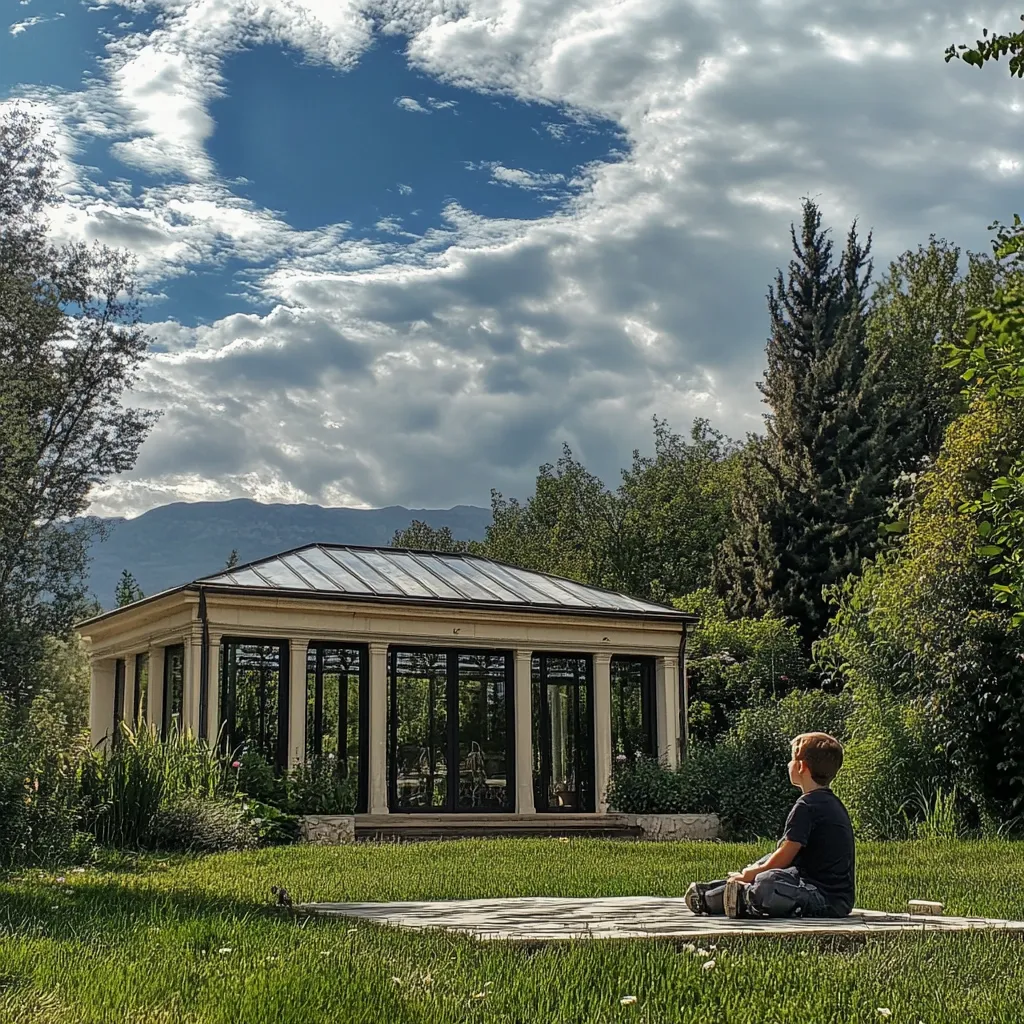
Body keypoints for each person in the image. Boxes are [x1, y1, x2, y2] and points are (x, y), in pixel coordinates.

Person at [684, 732, 855, 919]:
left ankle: (725, 897)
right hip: (834, 896)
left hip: (823, 898)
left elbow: (786, 855)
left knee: (768, 881)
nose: (788, 765)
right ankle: (726, 890)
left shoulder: (806, 806)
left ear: (801, 767)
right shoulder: (832, 803)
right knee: (766, 864)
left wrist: (754, 873)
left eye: (791, 760)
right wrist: (758, 867)